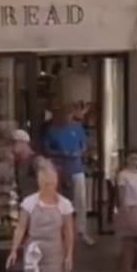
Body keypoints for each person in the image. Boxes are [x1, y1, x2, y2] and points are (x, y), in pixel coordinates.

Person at [8, 159, 75, 272]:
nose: (48, 186)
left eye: (51, 183)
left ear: (56, 182)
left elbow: (68, 232)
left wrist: (69, 255)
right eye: (45, 183)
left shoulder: (64, 204)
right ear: (39, 182)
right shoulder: (29, 202)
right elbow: (21, 228)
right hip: (34, 252)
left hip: (55, 252)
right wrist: (14, 250)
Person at [44, 102, 94, 246]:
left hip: (76, 169)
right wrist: (60, 153)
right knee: (59, 202)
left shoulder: (77, 128)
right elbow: (47, 149)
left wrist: (79, 152)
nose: (66, 117)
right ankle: (60, 232)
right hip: (59, 170)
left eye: (68, 114)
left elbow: (84, 145)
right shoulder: (51, 130)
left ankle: (82, 231)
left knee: (81, 201)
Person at [11, 129, 41, 200]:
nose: (12, 146)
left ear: (23, 143)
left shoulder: (36, 161)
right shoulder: (18, 163)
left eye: (14, 142)